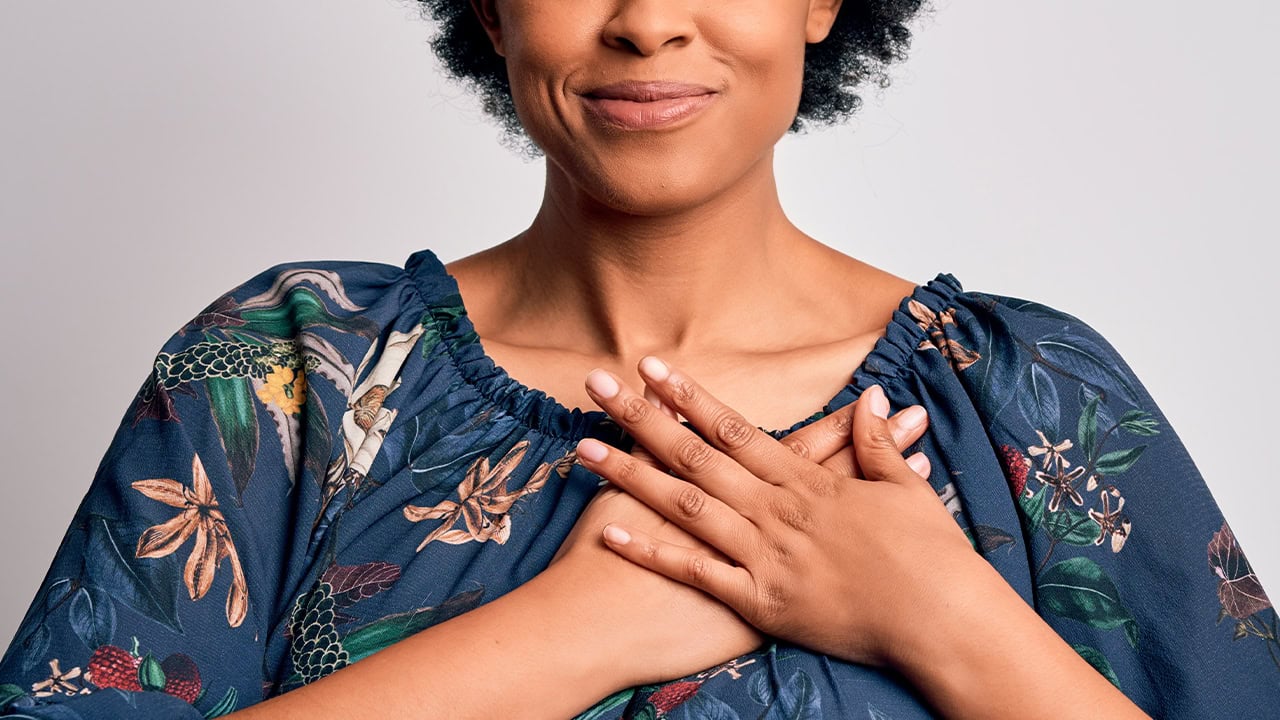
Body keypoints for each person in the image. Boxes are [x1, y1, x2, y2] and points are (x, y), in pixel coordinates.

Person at [1, 0, 1276, 718]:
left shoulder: (1026, 397)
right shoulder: (291, 377)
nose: (649, 22)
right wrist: (566, 637)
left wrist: (933, 615)